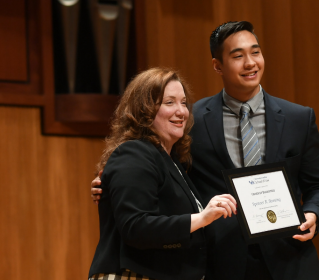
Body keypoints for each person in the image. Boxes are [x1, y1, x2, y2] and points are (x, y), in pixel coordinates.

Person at [92, 21, 319, 280]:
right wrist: (109, 184)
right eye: (238, 55)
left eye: (255, 52)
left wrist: (314, 214)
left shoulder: (298, 118)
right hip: (220, 262)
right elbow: (159, 173)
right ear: (217, 66)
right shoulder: (189, 121)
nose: (251, 63)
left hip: (290, 259)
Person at [88, 68, 236, 280]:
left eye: (184, 103)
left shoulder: (172, 161)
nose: (181, 111)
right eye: (170, 102)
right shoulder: (134, 152)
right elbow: (136, 227)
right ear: (144, 109)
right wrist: (202, 218)